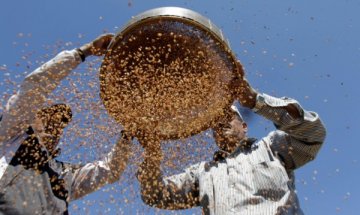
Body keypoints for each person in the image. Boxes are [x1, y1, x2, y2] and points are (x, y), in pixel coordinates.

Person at [137, 63, 326, 215]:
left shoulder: (271, 148)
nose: (220, 123)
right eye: (215, 123)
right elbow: (155, 194)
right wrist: (152, 157)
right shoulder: (201, 172)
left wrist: (255, 101)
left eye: (227, 117)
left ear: (244, 126)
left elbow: (313, 133)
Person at [0, 34, 132, 215]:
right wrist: (83, 52)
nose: (55, 126)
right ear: (30, 119)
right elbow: (35, 85)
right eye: (48, 118)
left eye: (60, 125)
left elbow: (110, 170)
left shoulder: (64, 174)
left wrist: (128, 133)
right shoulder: (11, 135)